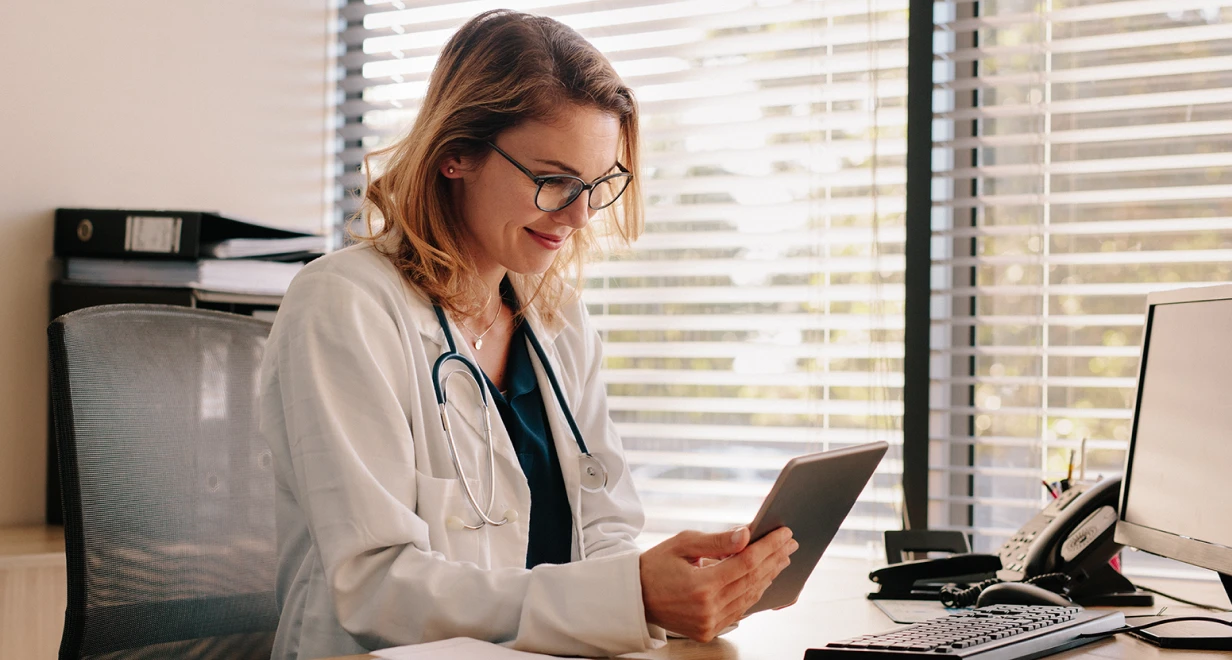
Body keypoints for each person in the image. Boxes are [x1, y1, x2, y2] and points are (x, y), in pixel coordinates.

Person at [259, 9, 798, 660]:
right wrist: (628, 597)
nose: (579, 214)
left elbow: (605, 532)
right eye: (553, 180)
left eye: (599, 185)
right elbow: (376, 590)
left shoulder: (557, 319)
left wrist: (670, 594)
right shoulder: (345, 306)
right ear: (455, 153)